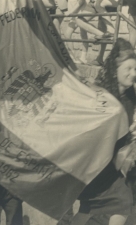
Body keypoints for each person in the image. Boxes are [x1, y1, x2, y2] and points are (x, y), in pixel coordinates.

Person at [70, 38, 136, 225]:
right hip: (98, 165)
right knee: (123, 201)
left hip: (113, 165)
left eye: (135, 69)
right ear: (115, 71)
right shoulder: (102, 96)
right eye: (128, 69)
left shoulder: (130, 97)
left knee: (87, 209)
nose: (133, 74)